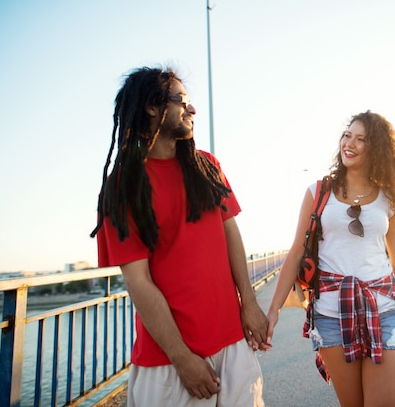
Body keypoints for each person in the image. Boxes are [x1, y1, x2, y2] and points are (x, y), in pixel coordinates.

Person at [90, 66, 268, 407]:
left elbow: (231, 233)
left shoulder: (207, 166)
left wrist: (249, 303)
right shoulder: (122, 187)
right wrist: (182, 358)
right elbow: (139, 283)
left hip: (233, 347)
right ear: (152, 107)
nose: (192, 109)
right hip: (169, 363)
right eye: (182, 100)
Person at [266, 111, 395, 407]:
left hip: (384, 309)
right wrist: (273, 311)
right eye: (347, 136)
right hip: (332, 314)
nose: (350, 144)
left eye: (361, 139)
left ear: (377, 148)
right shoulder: (318, 192)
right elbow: (295, 252)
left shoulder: (388, 198)